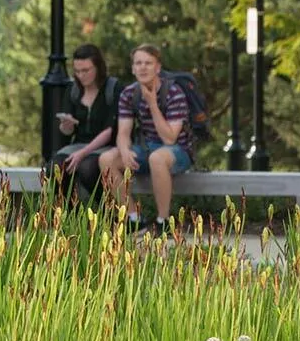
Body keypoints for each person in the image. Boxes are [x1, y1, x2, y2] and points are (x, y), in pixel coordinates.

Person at [108, 42, 199, 230]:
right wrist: (124, 151)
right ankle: (132, 218)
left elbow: (169, 139)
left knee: (157, 158)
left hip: (178, 151)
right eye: (138, 63)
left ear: (158, 67)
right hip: (148, 148)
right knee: (106, 160)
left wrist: (152, 104)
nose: (143, 67)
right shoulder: (129, 93)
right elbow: (123, 132)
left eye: (148, 63)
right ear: (133, 68)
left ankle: (163, 221)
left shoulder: (174, 92)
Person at [49, 44, 120, 197]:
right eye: (77, 71)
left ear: (98, 67)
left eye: (86, 70)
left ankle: (110, 212)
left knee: (87, 169)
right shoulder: (73, 90)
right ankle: (67, 214)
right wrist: (66, 126)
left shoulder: (113, 88)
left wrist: (82, 153)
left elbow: (110, 130)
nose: (81, 75)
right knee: (55, 167)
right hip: (79, 144)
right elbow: (68, 131)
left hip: (106, 147)